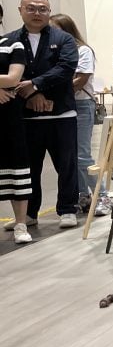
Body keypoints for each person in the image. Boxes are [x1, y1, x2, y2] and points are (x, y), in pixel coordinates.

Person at [2, 0, 80, 229]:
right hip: (27, 115)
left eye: (42, 9)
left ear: (49, 11)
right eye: (31, 8)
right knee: (30, 166)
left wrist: (36, 85)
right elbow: (9, 73)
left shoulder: (64, 39)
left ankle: (67, 209)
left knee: (66, 163)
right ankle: (29, 213)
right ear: (20, 10)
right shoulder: (9, 40)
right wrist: (33, 95)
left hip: (61, 112)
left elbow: (66, 68)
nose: (37, 13)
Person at [49, 13, 110, 217]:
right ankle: (83, 195)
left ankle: (103, 196)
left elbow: (81, 80)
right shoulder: (56, 51)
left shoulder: (83, 50)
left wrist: (55, 91)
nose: (51, 33)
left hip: (81, 105)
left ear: (66, 29)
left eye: (54, 28)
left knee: (82, 156)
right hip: (63, 107)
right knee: (70, 157)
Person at [0, 17, 33, 243]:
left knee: (17, 166)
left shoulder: (13, 44)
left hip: (9, 116)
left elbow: (14, 77)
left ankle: (21, 223)